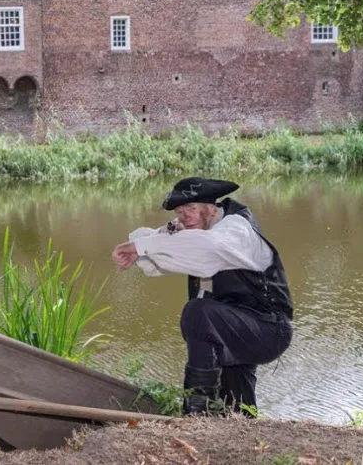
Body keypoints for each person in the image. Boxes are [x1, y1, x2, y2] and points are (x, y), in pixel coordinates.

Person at [111, 177, 293, 416]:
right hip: (234, 327)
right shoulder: (197, 227)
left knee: (198, 311)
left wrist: (141, 247)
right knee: (238, 403)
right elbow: (168, 243)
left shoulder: (236, 228)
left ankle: (197, 413)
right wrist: (143, 247)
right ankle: (242, 430)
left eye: (191, 209)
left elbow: (207, 248)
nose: (184, 217)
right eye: (180, 212)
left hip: (269, 329)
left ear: (211, 207)